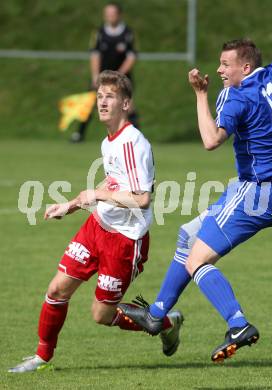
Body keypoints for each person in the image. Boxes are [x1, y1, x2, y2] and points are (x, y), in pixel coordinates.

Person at [119, 24, 272, 362]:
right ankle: (156, 314)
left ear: (244, 67)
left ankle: (238, 324)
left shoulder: (236, 94)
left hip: (256, 193)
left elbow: (211, 140)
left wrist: (200, 95)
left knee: (198, 260)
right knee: (188, 237)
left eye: (224, 65)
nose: (219, 71)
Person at [9, 70, 183, 373]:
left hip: (125, 240)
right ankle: (42, 357)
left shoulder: (133, 143)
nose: (102, 102)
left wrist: (97, 195)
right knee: (57, 290)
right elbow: (112, 181)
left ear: (126, 103)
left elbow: (143, 199)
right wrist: (74, 204)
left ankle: (165, 323)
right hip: (96, 228)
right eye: (100, 96)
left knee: (102, 315)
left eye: (110, 96)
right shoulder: (109, 142)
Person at [71, 2, 139, 143]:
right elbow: (95, 55)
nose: (109, 17)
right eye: (107, 14)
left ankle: (136, 136)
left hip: (122, 77)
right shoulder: (99, 33)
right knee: (90, 104)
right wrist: (95, 76)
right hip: (103, 77)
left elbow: (131, 57)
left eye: (112, 14)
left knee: (128, 106)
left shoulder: (127, 33)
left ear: (119, 15)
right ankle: (79, 134)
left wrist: (119, 76)